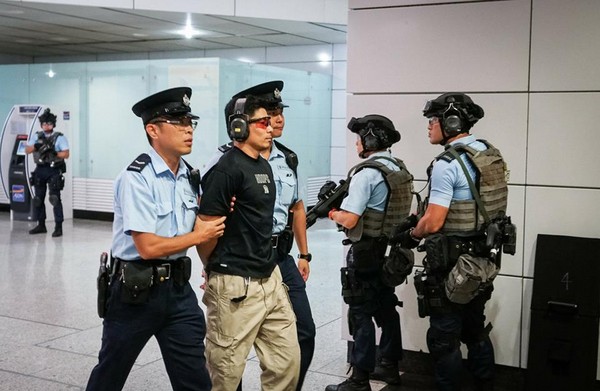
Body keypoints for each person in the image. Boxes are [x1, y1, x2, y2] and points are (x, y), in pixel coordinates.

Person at [86, 87, 226, 391]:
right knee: (110, 374)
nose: (188, 129)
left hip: (178, 292)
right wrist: (198, 235)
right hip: (134, 293)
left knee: (195, 378)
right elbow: (147, 247)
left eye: (191, 123)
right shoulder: (137, 177)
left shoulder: (190, 176)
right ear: (153, 130)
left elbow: (203, 228)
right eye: (178, 122)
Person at [201, 80, 315, 390]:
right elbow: (207, 224)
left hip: (275, 262)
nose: (275, 122)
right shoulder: (225, 165)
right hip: (236, 269)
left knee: (296, 344)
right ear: (239, 125)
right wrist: (213, 266)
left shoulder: (277, 161)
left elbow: (296, 208)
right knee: (228, 363)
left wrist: (304, 254)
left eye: (277, 114)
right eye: (266, 118)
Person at [394, 92, 509, 391]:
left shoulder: (448, 162)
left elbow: (433, 221)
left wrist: (412, 233)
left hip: (452, 264)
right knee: (475, 328)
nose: (429, 126)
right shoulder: (488, 152)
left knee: (444, 339)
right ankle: (485, 384)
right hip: (483, 261)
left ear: (451, 121)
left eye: (433, 120)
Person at [325, 115, 414, 391]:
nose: (356, 143)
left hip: (366, 252)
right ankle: (389, 367)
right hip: (391, 252)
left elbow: (350, 220)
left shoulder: (366, 173)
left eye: (360, 138)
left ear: (371, 139)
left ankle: (359, 378)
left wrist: (332, 213)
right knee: (387, 309)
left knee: (360, 311)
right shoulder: (399, 170)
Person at [25, 108, 69, 237]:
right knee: (38, 199)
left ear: (53, 124)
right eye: (44, 124)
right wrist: (36, 146)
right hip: (40, 169)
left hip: (53, 169)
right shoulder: (36, 136)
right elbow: (27, 150)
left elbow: (66, 154)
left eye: (49, 123)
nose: (46, 126)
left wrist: (54, 152)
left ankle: (58, 227)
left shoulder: (59, 137)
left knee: (55, 199)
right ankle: (41, 225)